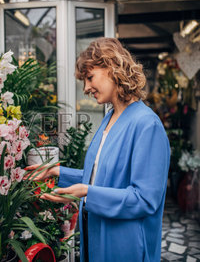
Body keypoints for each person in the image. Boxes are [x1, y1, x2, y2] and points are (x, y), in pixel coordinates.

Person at [25, 37, 170, 262]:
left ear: (112, 67)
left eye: (90, 77)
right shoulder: (110, 117)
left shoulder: (147, 124)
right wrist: (57, 172)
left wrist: (87, 193)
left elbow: (145, 200)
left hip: (125, 247)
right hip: (96, 237)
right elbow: (101, 178)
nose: (86, 88)